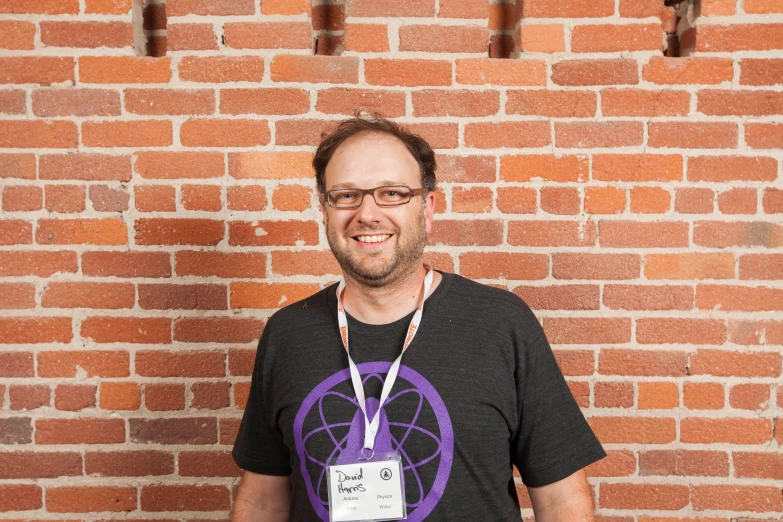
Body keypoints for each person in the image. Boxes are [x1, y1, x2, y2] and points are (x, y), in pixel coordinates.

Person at [231, 115, 606, 521]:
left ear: (427, 208)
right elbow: (263, 500)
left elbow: (562, 500)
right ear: (324, 210)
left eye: (391, 193)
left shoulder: (501, 324)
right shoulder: (288, 334)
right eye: (346, 195)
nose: (368, 214)